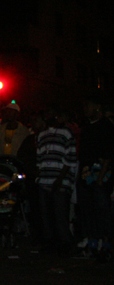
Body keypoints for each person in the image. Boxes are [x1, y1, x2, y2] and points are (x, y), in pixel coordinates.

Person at [35, 106, 77, 256]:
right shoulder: (42, 135)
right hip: (44, 181)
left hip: (60, 181)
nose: (50, 117)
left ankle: (65, 244)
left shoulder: (66, 133)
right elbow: (39, 159)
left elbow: (70, 157)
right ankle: (50, 244)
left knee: (60, 215)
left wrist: (60, 179)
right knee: (46, 216)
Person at [75, 98, 113, 258]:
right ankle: (91, 243)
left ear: (98, 107)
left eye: (89, 105)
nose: (86, 109)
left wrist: (100, 179)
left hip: (100, 176)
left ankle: (105, 245)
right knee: (87, 210)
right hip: (85, 175)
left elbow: (109, 154)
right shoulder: (86, 128)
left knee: (102, 212)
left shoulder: (106, 127)